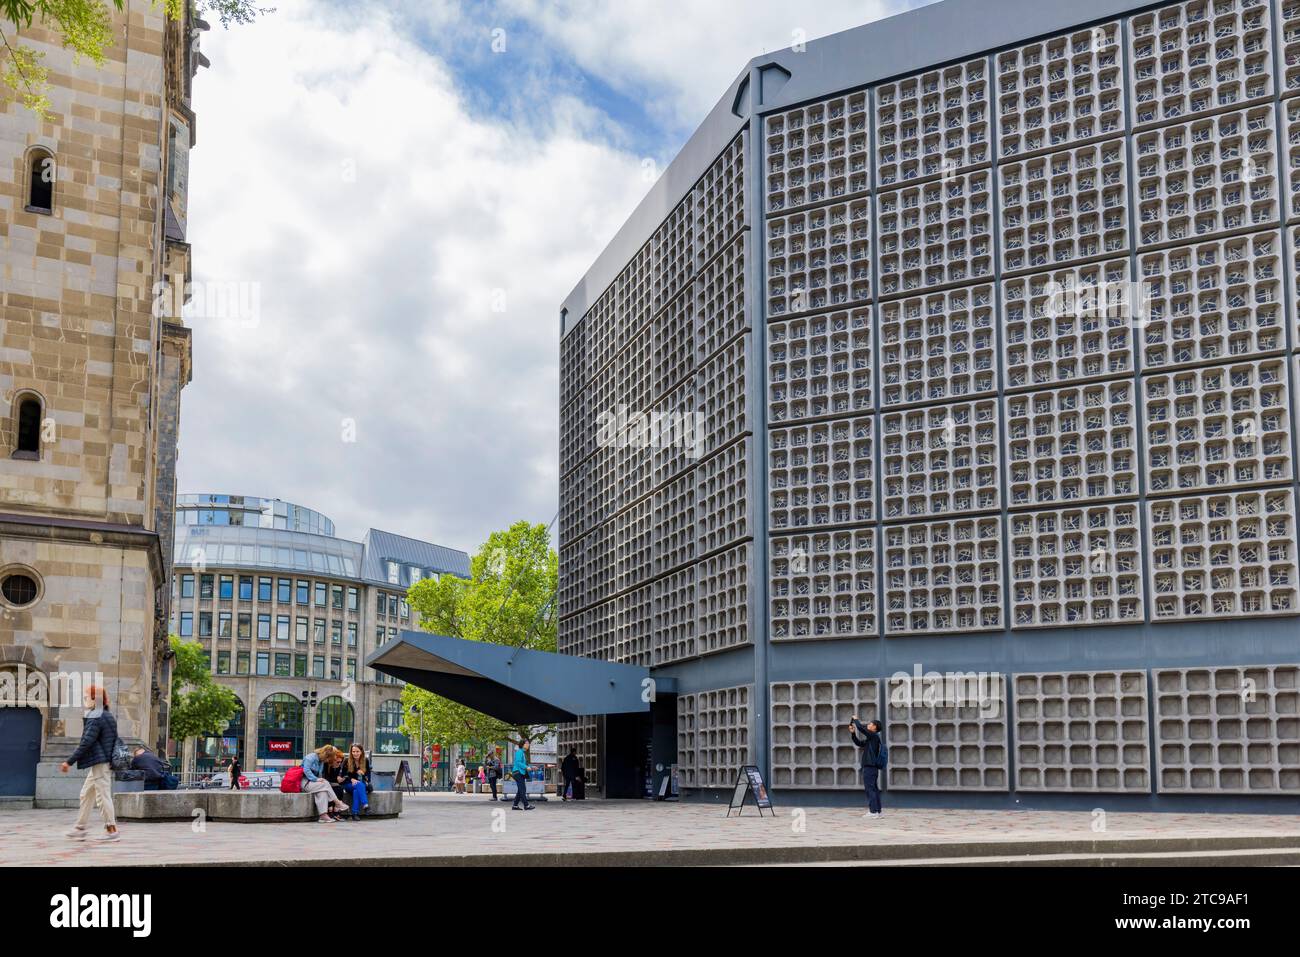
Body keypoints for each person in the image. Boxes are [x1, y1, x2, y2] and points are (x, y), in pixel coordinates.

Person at [61, 683, 121, 843]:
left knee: (103, 796)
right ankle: (80, 828)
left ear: (95, 699)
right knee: (86, 794)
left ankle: (112, 829)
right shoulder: (107, 715)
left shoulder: (96, 716)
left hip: (100, 763)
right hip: (101, 762)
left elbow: (86, 741)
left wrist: (69, 761)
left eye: (86, 697)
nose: (84, 700)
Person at [302, 745, 349, 823]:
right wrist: (316, 779)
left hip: (313, 783)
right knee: (325, 783)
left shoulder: (321, 761)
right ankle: (338, 803)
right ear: (326, 755)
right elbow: (306, 770)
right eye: (329, 759)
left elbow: (320, 775)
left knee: (323, 791)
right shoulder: (310, 758)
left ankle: (323, 815)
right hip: (305, 782)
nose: (328, 761)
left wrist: (319, 780)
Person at [850, 715, 885, 819]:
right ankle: (878, 811)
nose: (868, 725)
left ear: (875, 727)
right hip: (872, 767)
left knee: (870, 789)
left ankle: (873, 811)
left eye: (870, 724)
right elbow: (859, 743)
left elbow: (861, 728)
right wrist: (853, 733)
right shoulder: (872, 739)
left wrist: (855, 719)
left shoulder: (873, 736)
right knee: (874, 789)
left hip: (870, 767)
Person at [339, 743, 371, 821]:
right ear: (351, 752)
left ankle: (355, 813)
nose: (355, 753)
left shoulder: (365, 760)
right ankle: (365, 805)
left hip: (360, 784)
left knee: (357, 790)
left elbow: (368, 776)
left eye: (357, 751)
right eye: (353, 751)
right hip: (348, 784)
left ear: (361, 752)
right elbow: (342, 775)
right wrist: (351, 779)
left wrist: (363, 775)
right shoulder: (347, 760)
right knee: (359, 785)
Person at [510, 744, 534, 811]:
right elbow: (518, 762)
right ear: (523, 744)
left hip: (519, 772)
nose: (528, 744)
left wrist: (531, 767)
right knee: (522, 789)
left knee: (520, 790)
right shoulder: (519, 752)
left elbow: (522, 763)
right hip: (517, 772)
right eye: (527, 743)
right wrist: (526, 767)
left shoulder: (522, 752)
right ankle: (526, 805)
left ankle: (515, 805)